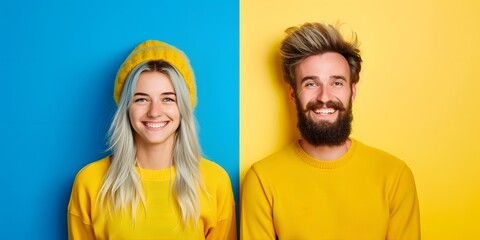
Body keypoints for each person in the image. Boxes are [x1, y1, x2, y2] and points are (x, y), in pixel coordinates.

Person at [241, 22, 420, 239]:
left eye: (336, 83)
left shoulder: (395, 176)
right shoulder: (262, 180)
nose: (324, 97)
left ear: (352, 91)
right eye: (310, 84)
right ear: (292, 93)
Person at [68, 40, 236, 239]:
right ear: (126, 108)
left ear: (183, 108)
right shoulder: (90, 182)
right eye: (141, 99)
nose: (154, 112)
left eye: (168, 99)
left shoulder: (215, 182)